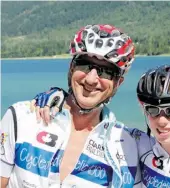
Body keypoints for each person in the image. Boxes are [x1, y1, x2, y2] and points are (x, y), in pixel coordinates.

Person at [32, 65, 170, 187]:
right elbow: (99, 123)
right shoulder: (138, 143)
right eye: (153, 111)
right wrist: (61, 97)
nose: (162, 121)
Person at [0, 24, 141, 188]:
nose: (91, 79)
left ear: (118, 82)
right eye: (85, 65)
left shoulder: (128, 147)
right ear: (71, 68)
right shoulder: (21, 117)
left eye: (105, 71)